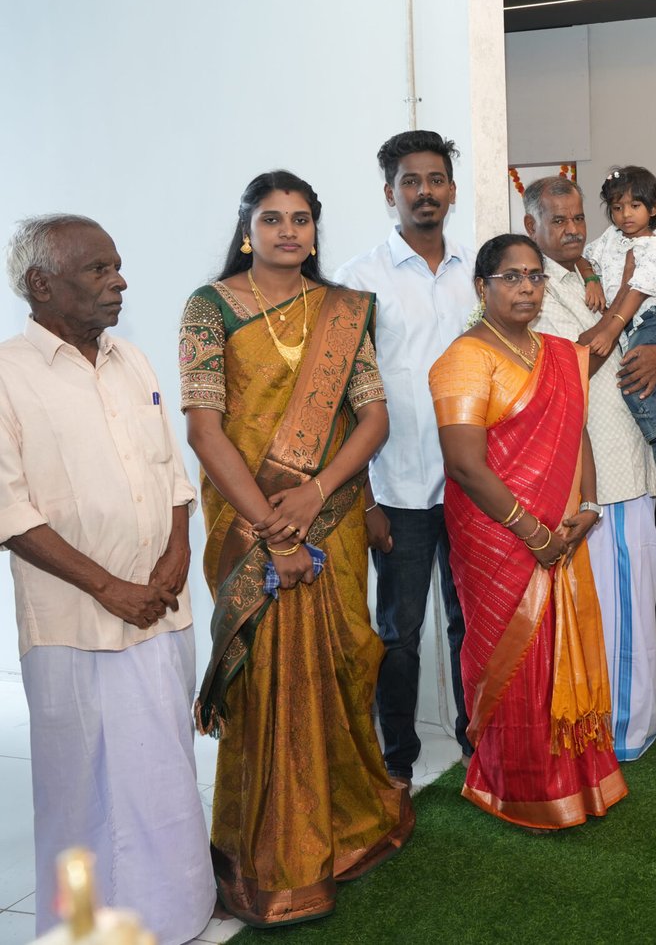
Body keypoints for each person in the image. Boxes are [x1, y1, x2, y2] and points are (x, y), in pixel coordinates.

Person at [181, 171, 411, 926]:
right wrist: (273, 527)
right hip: (247, 525)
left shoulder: (342, 310)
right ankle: (270, 856)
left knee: (341, 662)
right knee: (267, 681)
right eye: (273, 218)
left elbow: (373, 418)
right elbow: (204, 430)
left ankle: (350, 827)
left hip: (331, 518)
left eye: (301, 219)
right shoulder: (209, 307)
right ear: (247, 228)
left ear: (315, 230)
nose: (289, 231)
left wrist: (316, 493)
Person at [1, 215, 213, 944]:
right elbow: (10, 511)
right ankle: (86, 928)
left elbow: (171, 472)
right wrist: (106, 586)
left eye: (116, 265)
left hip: (161, 608)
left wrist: (177, 555)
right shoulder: (8, 374)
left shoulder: (133, 360)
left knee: (164, 770)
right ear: (41, 284)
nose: (119, 281)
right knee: (80, 789)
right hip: (74, 622)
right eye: (98, 269)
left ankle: (176, 914)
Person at [429, 233, 625, 829]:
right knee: (507, 658)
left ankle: (573, 779)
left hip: (561, 526)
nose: (526, 288)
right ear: (482, 287)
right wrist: (532, 532)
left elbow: (577, 430)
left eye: (535, 277)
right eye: (511, 277)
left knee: (559, 649)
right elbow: (465, 465)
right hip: (496, 535)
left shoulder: (561, 353)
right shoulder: (464, 358)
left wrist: (588, 504)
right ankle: (513, 785)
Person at [332, 129, 475, 784]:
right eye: (410, 181)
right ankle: (397, 763)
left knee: (473, 623)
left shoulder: (477, 273)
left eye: (435, 179)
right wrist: (364, 498)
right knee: (398, 634)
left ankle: (478, 744)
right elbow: (341, 401)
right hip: (398, 490)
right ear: (390, 193)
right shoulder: (358, 280)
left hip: (473, 486)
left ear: (451, 189)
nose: (425, 192)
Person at [523, 175, 656, 758]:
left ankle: (637, 709)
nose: (571, 230)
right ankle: (618, 731)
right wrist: (620, 311)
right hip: (597, 475)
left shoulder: (589, 268)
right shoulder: (536, 291)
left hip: (629, 458)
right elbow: (572, 368)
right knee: (615, 607)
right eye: (557, 221)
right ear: (531, 226)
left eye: (577, 219)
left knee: (636, 599)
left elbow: (645, 337)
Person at [584, 166, 656, 501]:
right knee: (646, 392)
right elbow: (583, 259)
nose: (625, 214)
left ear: (652, 208)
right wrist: (591, 280)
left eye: (634, 206)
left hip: (650, 320)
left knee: (634, 384)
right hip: (628, 324)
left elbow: (634, 293)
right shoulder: (610, 239)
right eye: (617, 207)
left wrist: (610, 330)